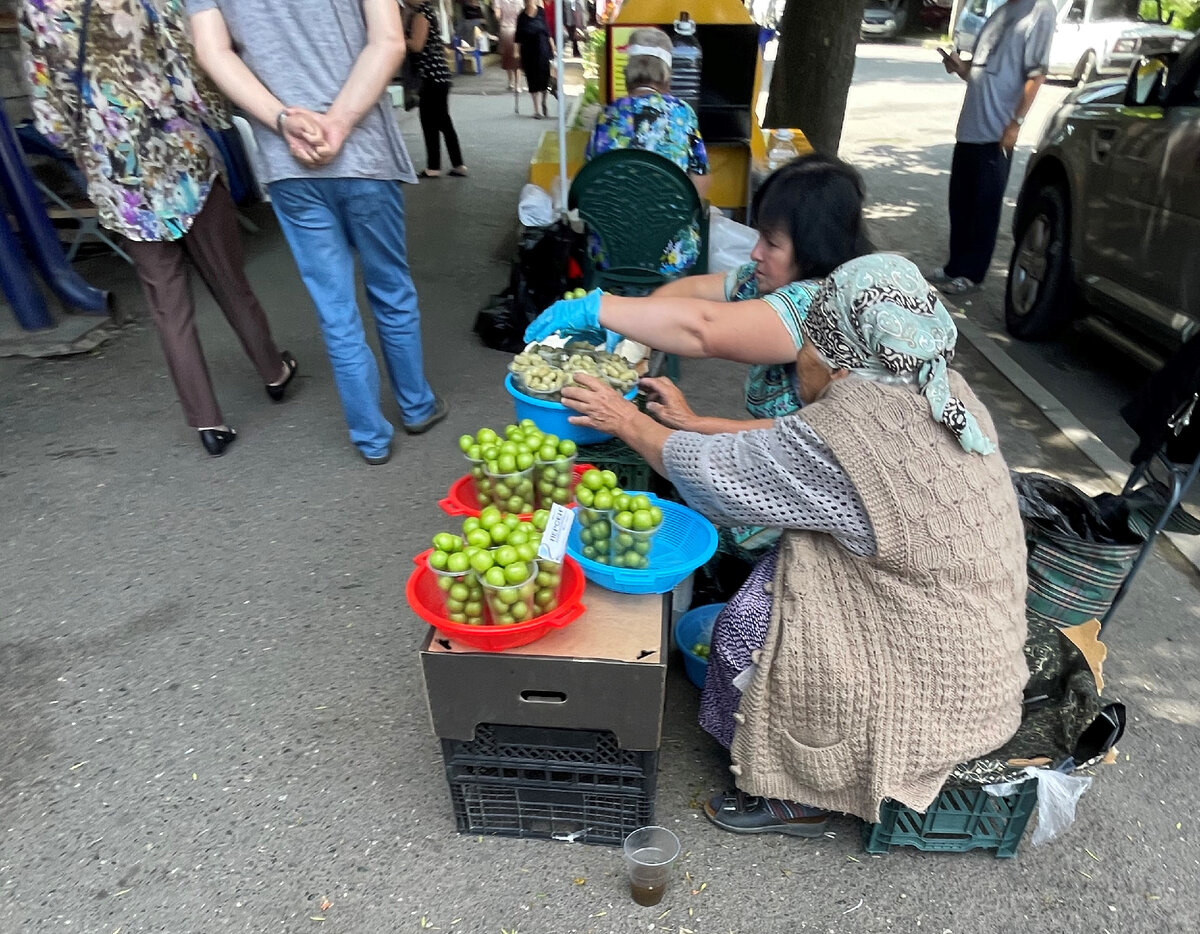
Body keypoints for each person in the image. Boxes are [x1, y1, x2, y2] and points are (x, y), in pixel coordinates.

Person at [558, 253, 1030, 834]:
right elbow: (794, 445)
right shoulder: (935, 389)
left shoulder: (851, 431)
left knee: (748, 627)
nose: (797, 359)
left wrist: (624, 420)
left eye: (805, 344)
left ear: (835, 359)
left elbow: (721, 479)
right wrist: (695, 421)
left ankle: (802, 790)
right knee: (772, 580)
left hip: (930, 690)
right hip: (982, 661)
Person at [19, 0, 296, 458]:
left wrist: (95, 145)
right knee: (230, 281)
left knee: (168, 306)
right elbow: (191, 83)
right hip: (182, 160)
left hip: (119, 179)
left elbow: (51, 116)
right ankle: (273, 372)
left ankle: (209, 423)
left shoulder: (38, 8)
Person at [189, 0, 448, 466]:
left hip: (290, 162)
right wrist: (340, 121)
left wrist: (285, 119)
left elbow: (212, 52)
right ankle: (417, 405)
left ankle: (370, 437)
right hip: (364, 153)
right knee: (390, 287)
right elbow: (389, 40)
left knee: (335, 308)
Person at [527, 155, 870, 427]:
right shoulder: (766, 278)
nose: (755, 252)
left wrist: (600, 308)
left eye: (771, 243)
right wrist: (627, 325)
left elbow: (704, 329)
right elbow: (691, 292)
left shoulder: (819, 305)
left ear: (814, 248)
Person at [932, 0, 1055, 295]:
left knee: (983, 207)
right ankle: (955, 267)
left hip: (997, 130)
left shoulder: (1040, 11)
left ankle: (972, 274)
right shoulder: (999, 12)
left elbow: (1037, 74)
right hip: (970, 127)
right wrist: (961, 68)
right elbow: (982, 71)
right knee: (960, 204)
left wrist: (1016, 123)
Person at [584, 26, 710, 276]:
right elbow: (701, 182)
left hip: (611, 251)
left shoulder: (605, 118)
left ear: (628, 71)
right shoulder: (683, 115)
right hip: (669, 253)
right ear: (666, 75)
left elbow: (590, 184)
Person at [407, 0, 468, 178]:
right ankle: (456, 164)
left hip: (431, 76)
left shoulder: (421, 15)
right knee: (442, 121)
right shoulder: (428, 12)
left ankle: (434, 166)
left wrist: (400, 40)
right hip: (439, 76)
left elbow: (417, 45)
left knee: (430, 121)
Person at [515, 0, 554, 119]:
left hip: (542, 48)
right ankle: (536, 110)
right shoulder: (521, 16)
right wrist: (516, 52)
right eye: (526, 1)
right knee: (531, 78)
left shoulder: (541, 12)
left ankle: (543, 101)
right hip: (528, 50)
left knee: (544, 77)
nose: (528, 2)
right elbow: (518, 36)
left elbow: (547, 31)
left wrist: (552, 46)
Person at [497, 0, 523, 91]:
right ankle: (518, 84)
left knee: (507, 56)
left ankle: (510, 82)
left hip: (505, 29)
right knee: (517, 56)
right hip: (518, 29)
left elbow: (497, 15)